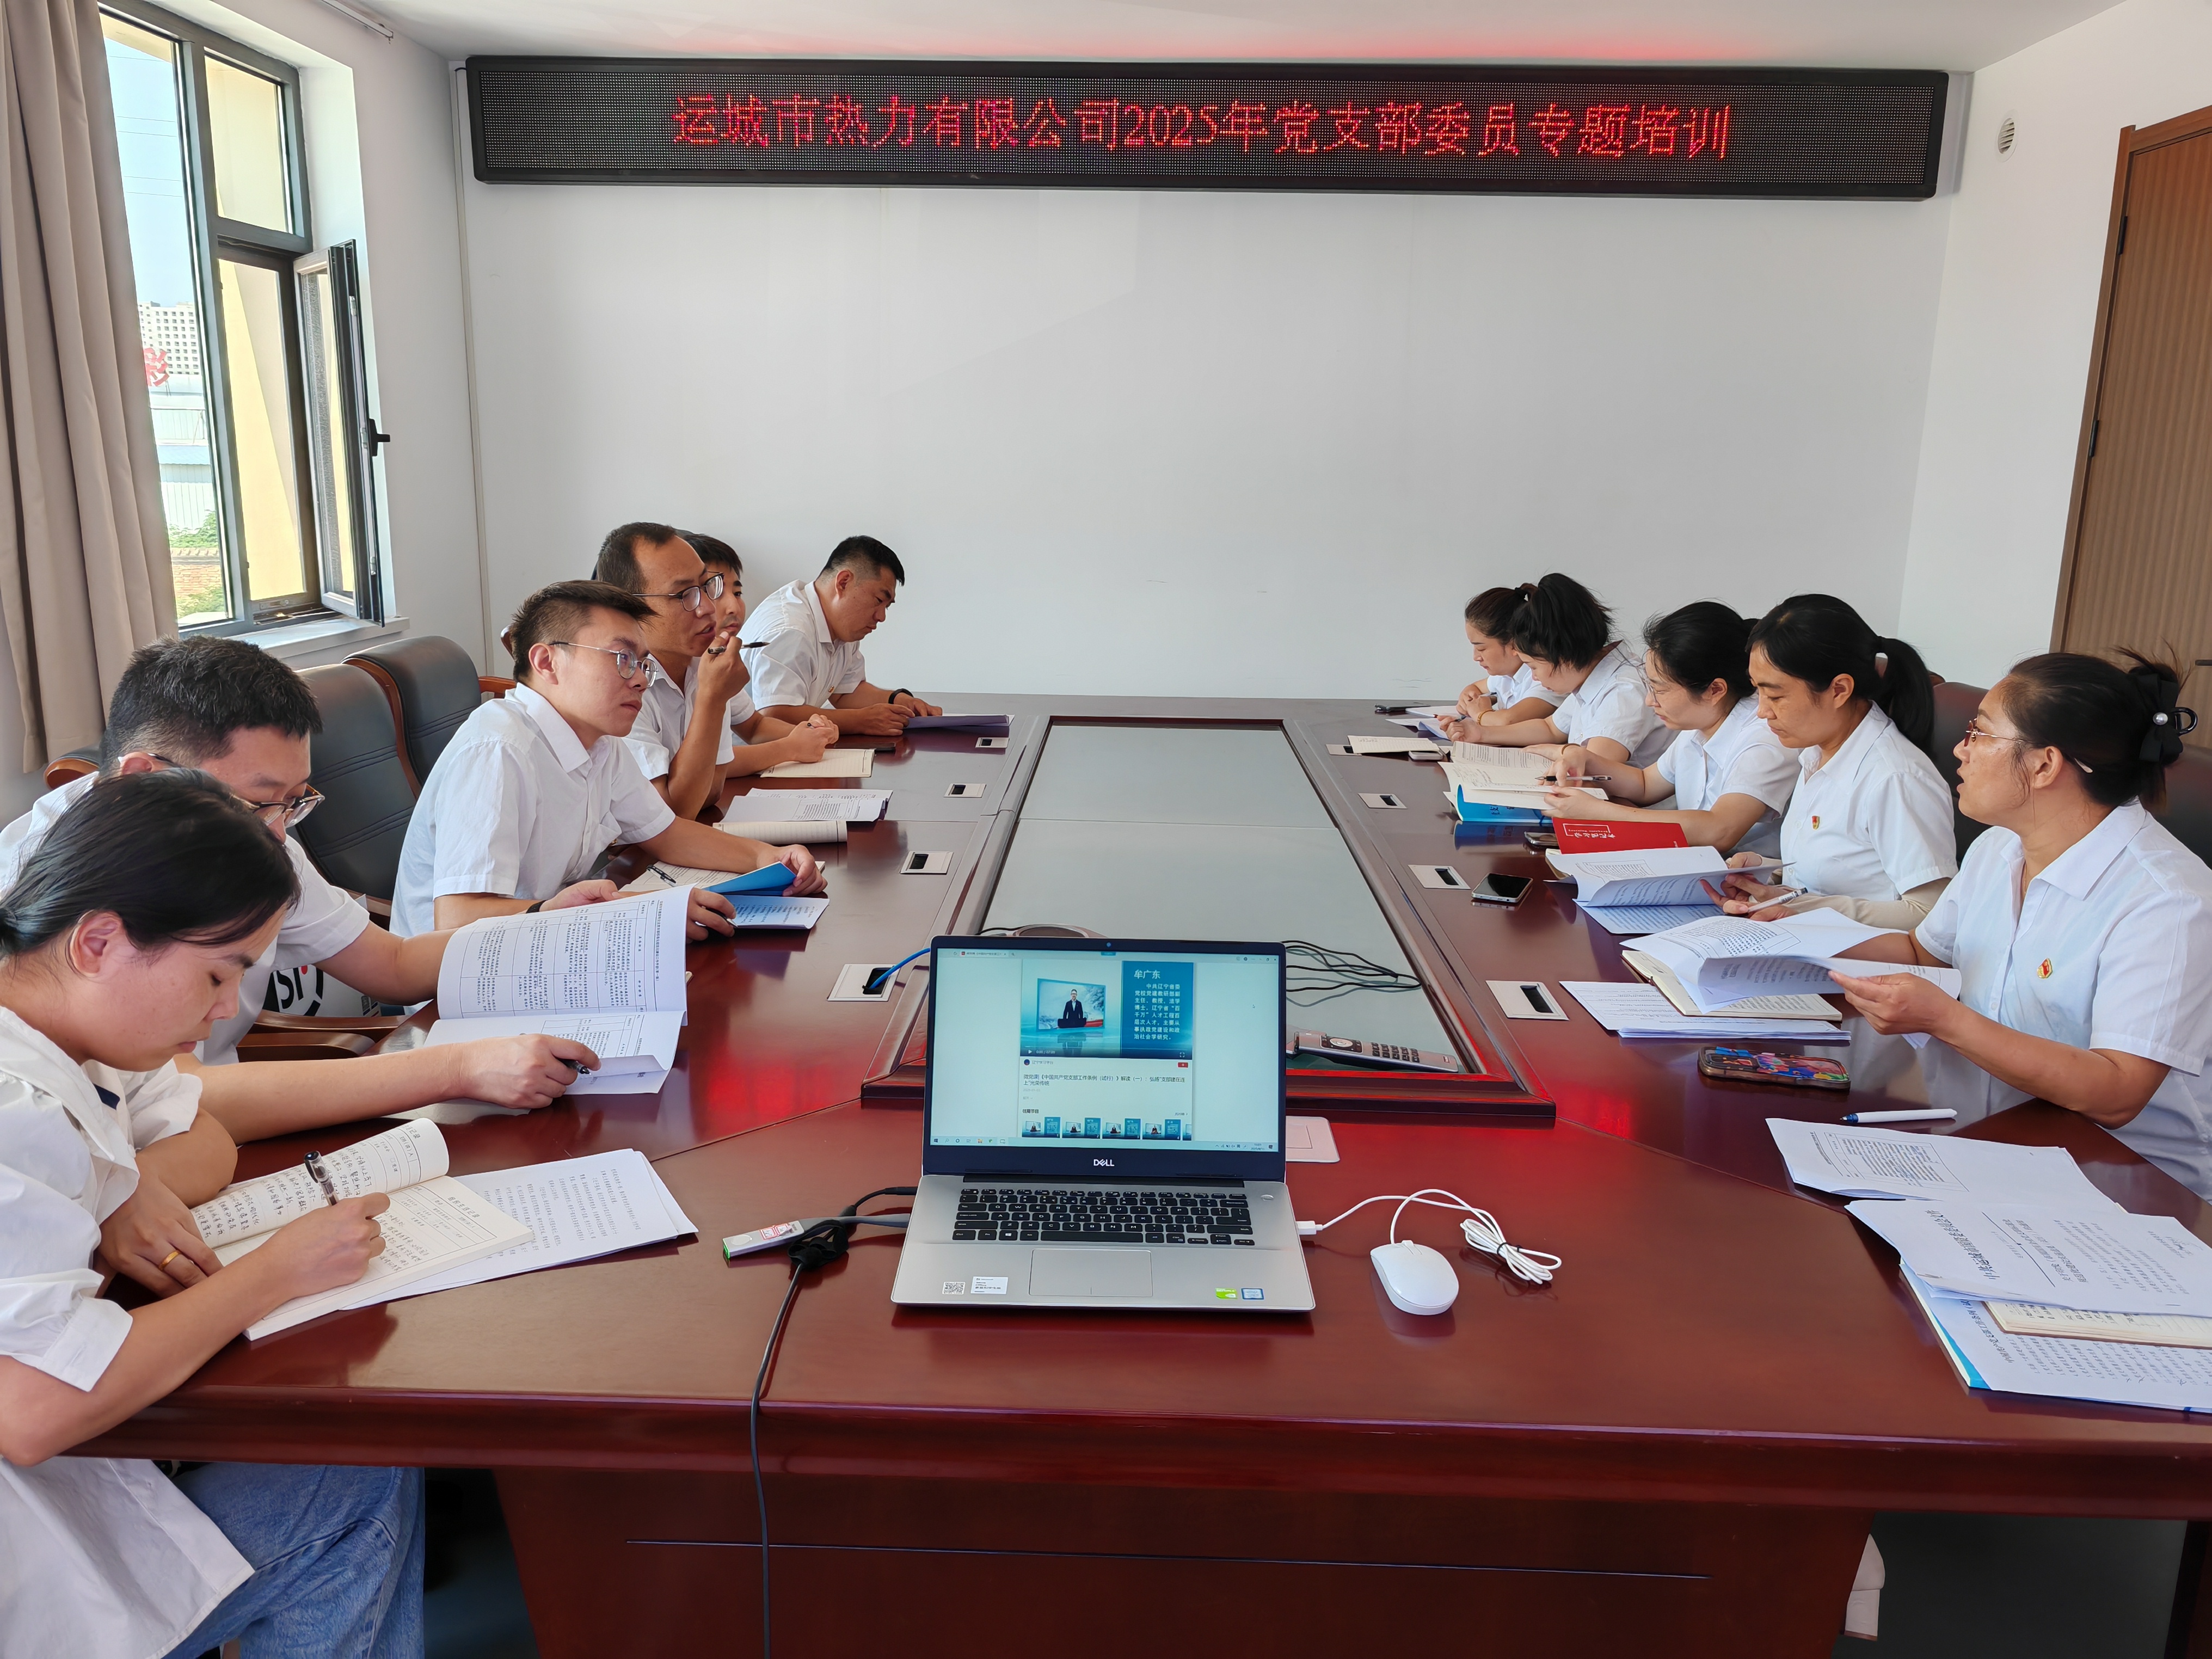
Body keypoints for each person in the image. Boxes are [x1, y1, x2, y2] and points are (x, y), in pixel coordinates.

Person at [0, 769, 421, 1658]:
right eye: (216, 973)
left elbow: (202, 1133)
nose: (227, 1008)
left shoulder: (69, 1029)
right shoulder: (16, 1109)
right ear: (99, 941)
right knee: (353, 1478)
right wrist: (276, 1272)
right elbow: (33, 1409)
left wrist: (128, 1185)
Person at [0, 637, 599, 1139]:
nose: (280, 833)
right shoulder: (57, 886)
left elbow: (390, 964)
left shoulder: (245, 831)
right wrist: (456, 1069)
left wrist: (546, 923)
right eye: (260, 802)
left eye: (294, 801)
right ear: (144, 778)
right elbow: (183, 1099)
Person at [1828, 652, 2212, 1197]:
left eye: (1978, 733)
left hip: (2120, 1185)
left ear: (2043, 765)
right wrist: (1788, 947)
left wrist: (1944, 1019)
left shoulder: (2167, 902)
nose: (1960, 750)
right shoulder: (1998, 848)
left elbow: (2117, 1092)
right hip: (1989, 1145)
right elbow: (1922, 954)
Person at [393, 580, 828, 939]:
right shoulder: (499, 750)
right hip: (458, 985)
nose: (640, 680)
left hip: (545, 943)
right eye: (622, 659)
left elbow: (667, 833)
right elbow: (458, 920)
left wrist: (768, 857)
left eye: (643, 663)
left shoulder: (600, 742)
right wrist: (642, 912)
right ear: (547, 662)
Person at [1717, 595, 1956, 929]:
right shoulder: (1816, 753)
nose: (1762, 711)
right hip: (1806, 938)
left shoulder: (1895, 777)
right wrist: (1765, 874)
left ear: (1839, 690)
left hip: (1859, 955)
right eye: (1758, 691)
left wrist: (1804, 908)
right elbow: (1839, 873)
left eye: (1776, 695)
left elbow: (1930, 914)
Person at [593, 523, 835, 820]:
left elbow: (715, 783)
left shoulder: (702, 660)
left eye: (708, 587)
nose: (709, 608)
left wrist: (809, 734)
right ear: (628, 606)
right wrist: (713, 698)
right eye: (684, 594)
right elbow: (673, 815)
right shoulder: (621, 685)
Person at [1541, 602, 1799, 855]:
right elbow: (1645, 785)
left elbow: (1719, 830)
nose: (1650, 700)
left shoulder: (1764, 737)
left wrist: (1599, 812)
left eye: (1660, 689)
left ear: (1715, 690)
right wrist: (1584, 758)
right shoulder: (1701, 723)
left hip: (1744, 873)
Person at [740, 535, 943, 736]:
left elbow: (845, 692)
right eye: (879, 600)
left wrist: (898, 701)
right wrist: (860, 721)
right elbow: (774, 714)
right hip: (744, 754)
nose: (881, 617)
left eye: (887, 607)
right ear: (844, 582)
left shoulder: (840, 626)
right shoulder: (792, 630)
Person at [678, 530, 838, 778]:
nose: (734, 607)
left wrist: (811, 732)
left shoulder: (710, 661)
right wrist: (790, 748)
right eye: (714, 591)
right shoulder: (648, 677)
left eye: (737, 593)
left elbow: (754, 726)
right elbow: (703, 768)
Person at [1478, 575, 1670, 766]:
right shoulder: (1591, 678)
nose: (1534, 678)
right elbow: (1550, 728)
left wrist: (1558, 751)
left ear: (1564, 657)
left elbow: (1593, 766)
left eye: (1533, 667)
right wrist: (1480, 734)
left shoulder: (1624, 691)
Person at [1441, 586, 1560, 740]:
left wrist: (1479, 713)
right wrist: (1468, 697)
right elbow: (1476, 687)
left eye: (1481, 648)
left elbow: (1509, 721)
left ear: (1513, 644)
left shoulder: (1545, 677)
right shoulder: (1505, 675)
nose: (1476, 657)